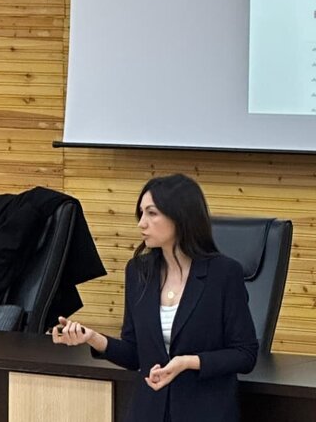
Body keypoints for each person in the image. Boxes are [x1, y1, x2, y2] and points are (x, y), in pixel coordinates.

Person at [52, 174, 258, 422]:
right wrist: (93, 338)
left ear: (180, 216)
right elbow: (135, 354)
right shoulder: (139, 271)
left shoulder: (224, 273)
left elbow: (245, 354)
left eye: (152, 213)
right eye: (141, 214)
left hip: (204, 411)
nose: (142, 223)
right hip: (148, 411)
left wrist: (188, 362)